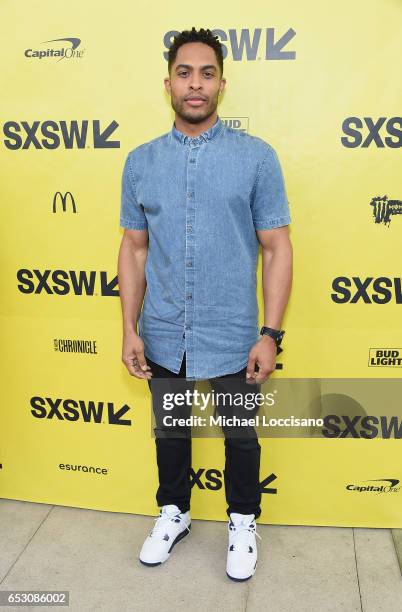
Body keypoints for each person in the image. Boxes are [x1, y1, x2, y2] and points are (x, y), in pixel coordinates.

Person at [117, 27, 293, 581]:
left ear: (222, 83)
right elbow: (134, 248)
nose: (196, 84)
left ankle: (243, 519)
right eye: (185, 73)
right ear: (168, 83)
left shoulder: (257, 158)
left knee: (240, 435)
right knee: (171, 429)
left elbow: (277, 246)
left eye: (207, 73)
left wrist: (270, 333)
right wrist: (129, 327)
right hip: (165, 327)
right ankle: (175, 511)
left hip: (235, 332)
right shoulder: (141, 162)